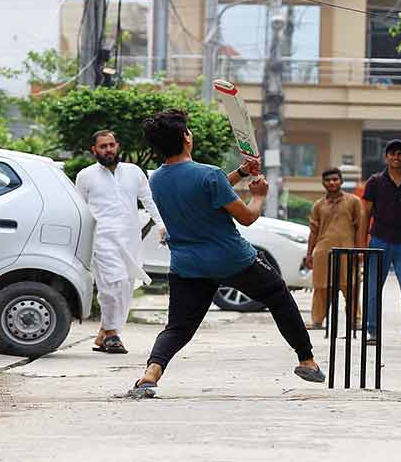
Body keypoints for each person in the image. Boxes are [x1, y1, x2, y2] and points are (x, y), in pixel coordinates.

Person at [131, 109, 324, 394]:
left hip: (187, 265)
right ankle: (306, 361)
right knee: (277, 295)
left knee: (178, 328)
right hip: (232, 259)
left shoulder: (157, 179)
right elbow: (246, 216)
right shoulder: (208, 175)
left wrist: (243, 172)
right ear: (186, 138)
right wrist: (258, 196)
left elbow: (208, 189)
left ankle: (151, 374)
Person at [76, 130, 165, 354]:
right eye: (103, 146)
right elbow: (79, 210)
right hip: (101, 239)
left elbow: (148, 200)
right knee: (111, 284)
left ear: (118, 146)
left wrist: (162, 224)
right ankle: (113, 334)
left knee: (125, 285)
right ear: (94, 150)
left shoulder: (134, 172)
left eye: (112, 145)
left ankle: (105, 332)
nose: (108, 149)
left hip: (129, 238)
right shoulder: (86, 175)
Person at [362, 139, 401, 349]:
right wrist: (361, 242)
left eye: (400, 154)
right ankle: (372, 332)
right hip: (379, 240)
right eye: (392, 154)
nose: (396, 157)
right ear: (386, 157)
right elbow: (366, 213)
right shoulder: (375, 181)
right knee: (373, 289)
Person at [305, 168, 364, 330]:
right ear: (323, 183)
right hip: (323, 252)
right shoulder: (318, 205)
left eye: (335, 179)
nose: (332, 182)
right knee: (321, 287)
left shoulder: (353, 201)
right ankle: (317, 321)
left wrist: (360, 251)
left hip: (348, 251)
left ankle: (355, 321)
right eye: (328, 180)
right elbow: (313, 231)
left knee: (351, 286)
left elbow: (360, 227)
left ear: (341, 181)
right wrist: (309, 254)